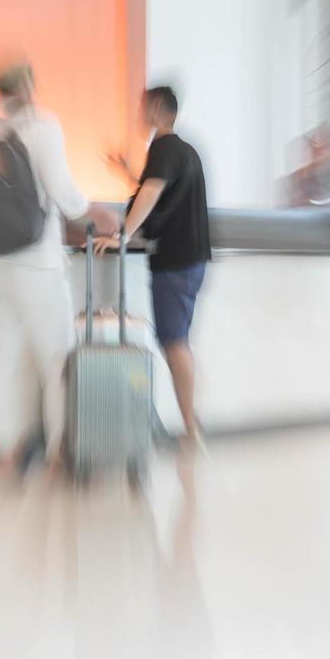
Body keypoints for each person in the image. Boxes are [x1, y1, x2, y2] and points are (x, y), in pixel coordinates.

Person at [0, 62, 118, 476]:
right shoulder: (42, 125)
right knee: (55, 360)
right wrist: (97, 214)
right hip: (36, 261)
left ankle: (4, 452)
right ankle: (58, 452)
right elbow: (62, 191)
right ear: (27, 84)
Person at [96, 85, 210, 446]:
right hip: (189, 261)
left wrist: (123, 236)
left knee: (174, 342)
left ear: (158, 107)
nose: (138, 115)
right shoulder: (184, 151)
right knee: (177, 341)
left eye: (142, 107)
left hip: (175, 262)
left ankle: (191, 430)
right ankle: (191, 428)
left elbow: (150, 195)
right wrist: (129, 173)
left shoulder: (162, 148)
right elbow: (158, 190)